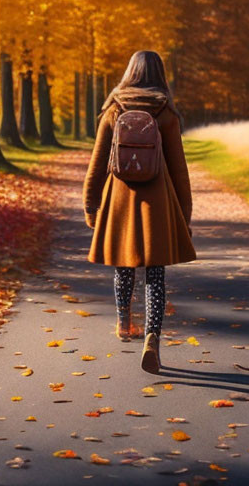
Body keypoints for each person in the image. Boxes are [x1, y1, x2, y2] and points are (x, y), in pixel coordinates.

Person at [82, 50, 196, 374]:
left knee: (124, 266)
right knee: (155, 274)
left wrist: (92, 209)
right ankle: (152, 339)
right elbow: (179, 171)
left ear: (130, 73)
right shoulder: (166, 114)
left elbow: (96, 164)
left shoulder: (113, 110)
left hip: (119, 201)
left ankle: (123, 321)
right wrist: (184, 219)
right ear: (159, 75)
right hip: (157, 205)